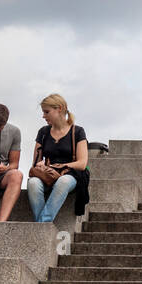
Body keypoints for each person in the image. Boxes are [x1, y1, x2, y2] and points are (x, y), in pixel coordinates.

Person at [27, 94, 90, 222]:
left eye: (46, 112)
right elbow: (36, 161)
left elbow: (82, 163)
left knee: (63, 182)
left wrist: (60, 166)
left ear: (59, 109)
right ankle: (43, 226)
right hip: (48, 174)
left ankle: (41, 225)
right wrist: (39, 165)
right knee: (33, 183)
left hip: (70, 173)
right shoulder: (43, 132)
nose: (43, 116)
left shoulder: (77, 131)